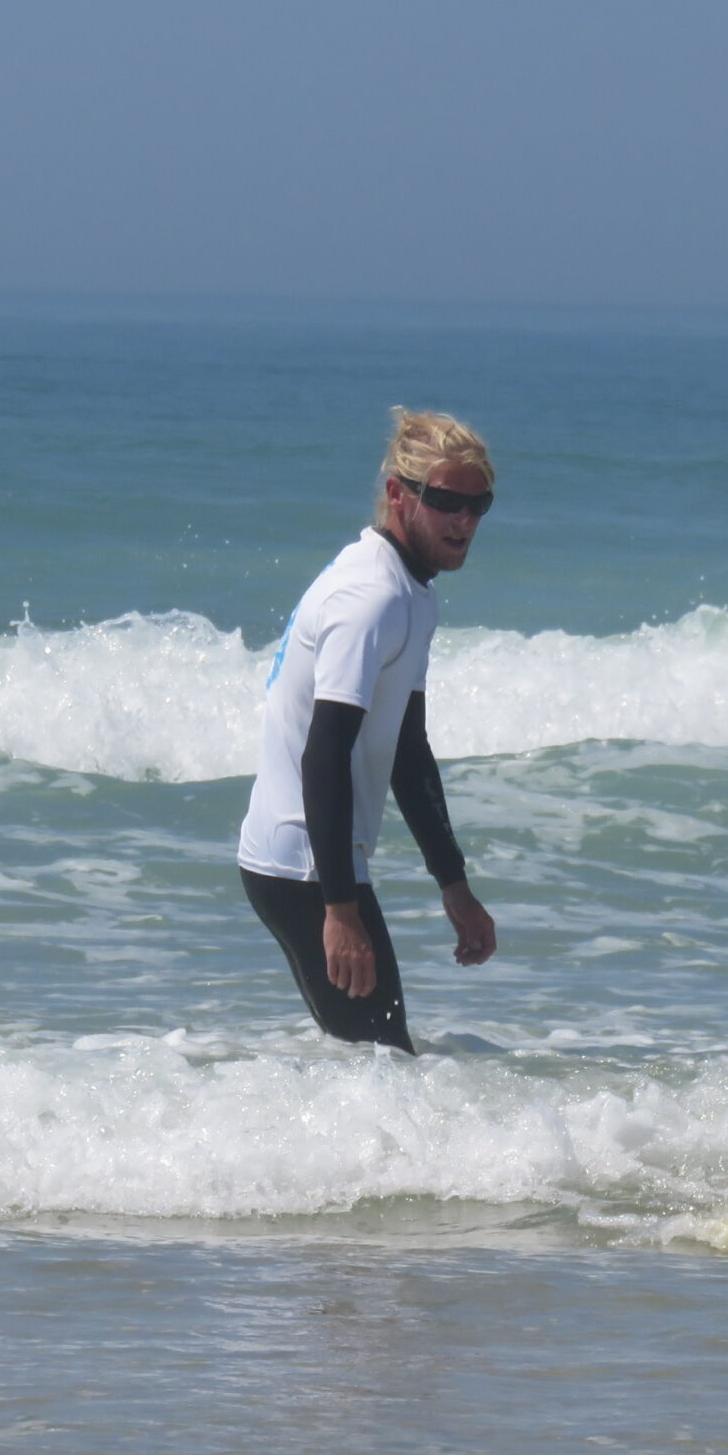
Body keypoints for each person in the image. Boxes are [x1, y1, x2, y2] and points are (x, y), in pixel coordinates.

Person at [235, 408, 499, 1052]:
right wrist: (340, 911)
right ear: (397, 495)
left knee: (371, 1059)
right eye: (446, 502)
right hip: (303, 862)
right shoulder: (370, 597)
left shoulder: (412, 592)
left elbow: (408, 750)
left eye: (478, 505)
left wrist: (454, 886)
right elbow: (324, 753)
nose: (464, 521)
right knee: (384, 1061)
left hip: (308, 862)